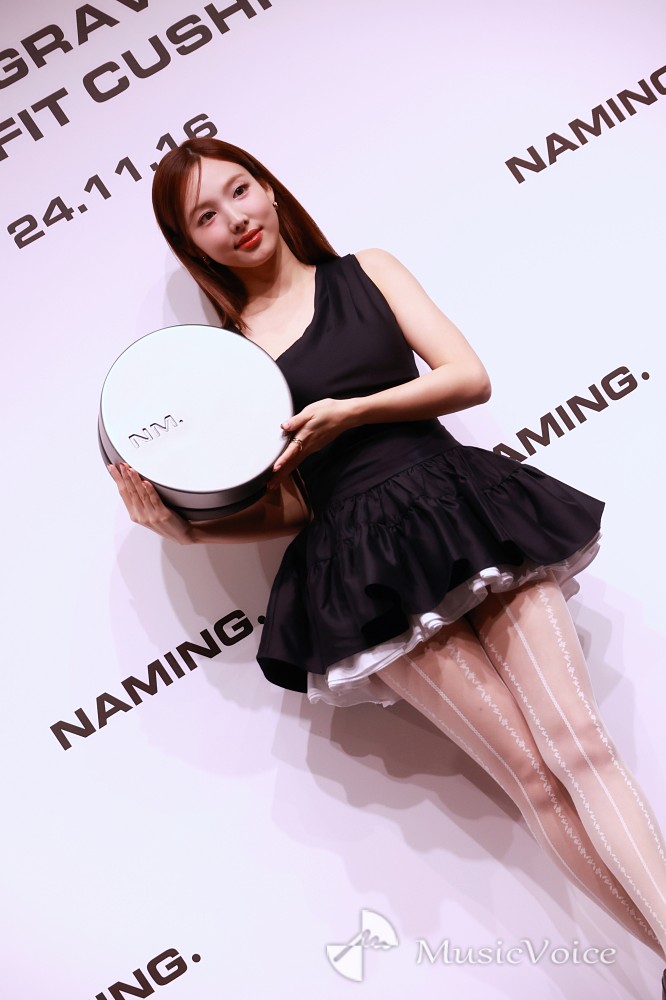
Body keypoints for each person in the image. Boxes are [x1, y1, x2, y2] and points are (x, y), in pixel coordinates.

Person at [109, 137, 666, 994]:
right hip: (358, 563)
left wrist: (353, 411)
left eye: (239, 190)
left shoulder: (366, 271)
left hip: (460, 509)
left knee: (580, 744)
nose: (235, 220)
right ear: (194, 246)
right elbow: (293, 502)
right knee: (533, 778)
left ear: (270, 188)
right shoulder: (227, 360)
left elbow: (467, 377)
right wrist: (187, 535)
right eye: (206, 217)